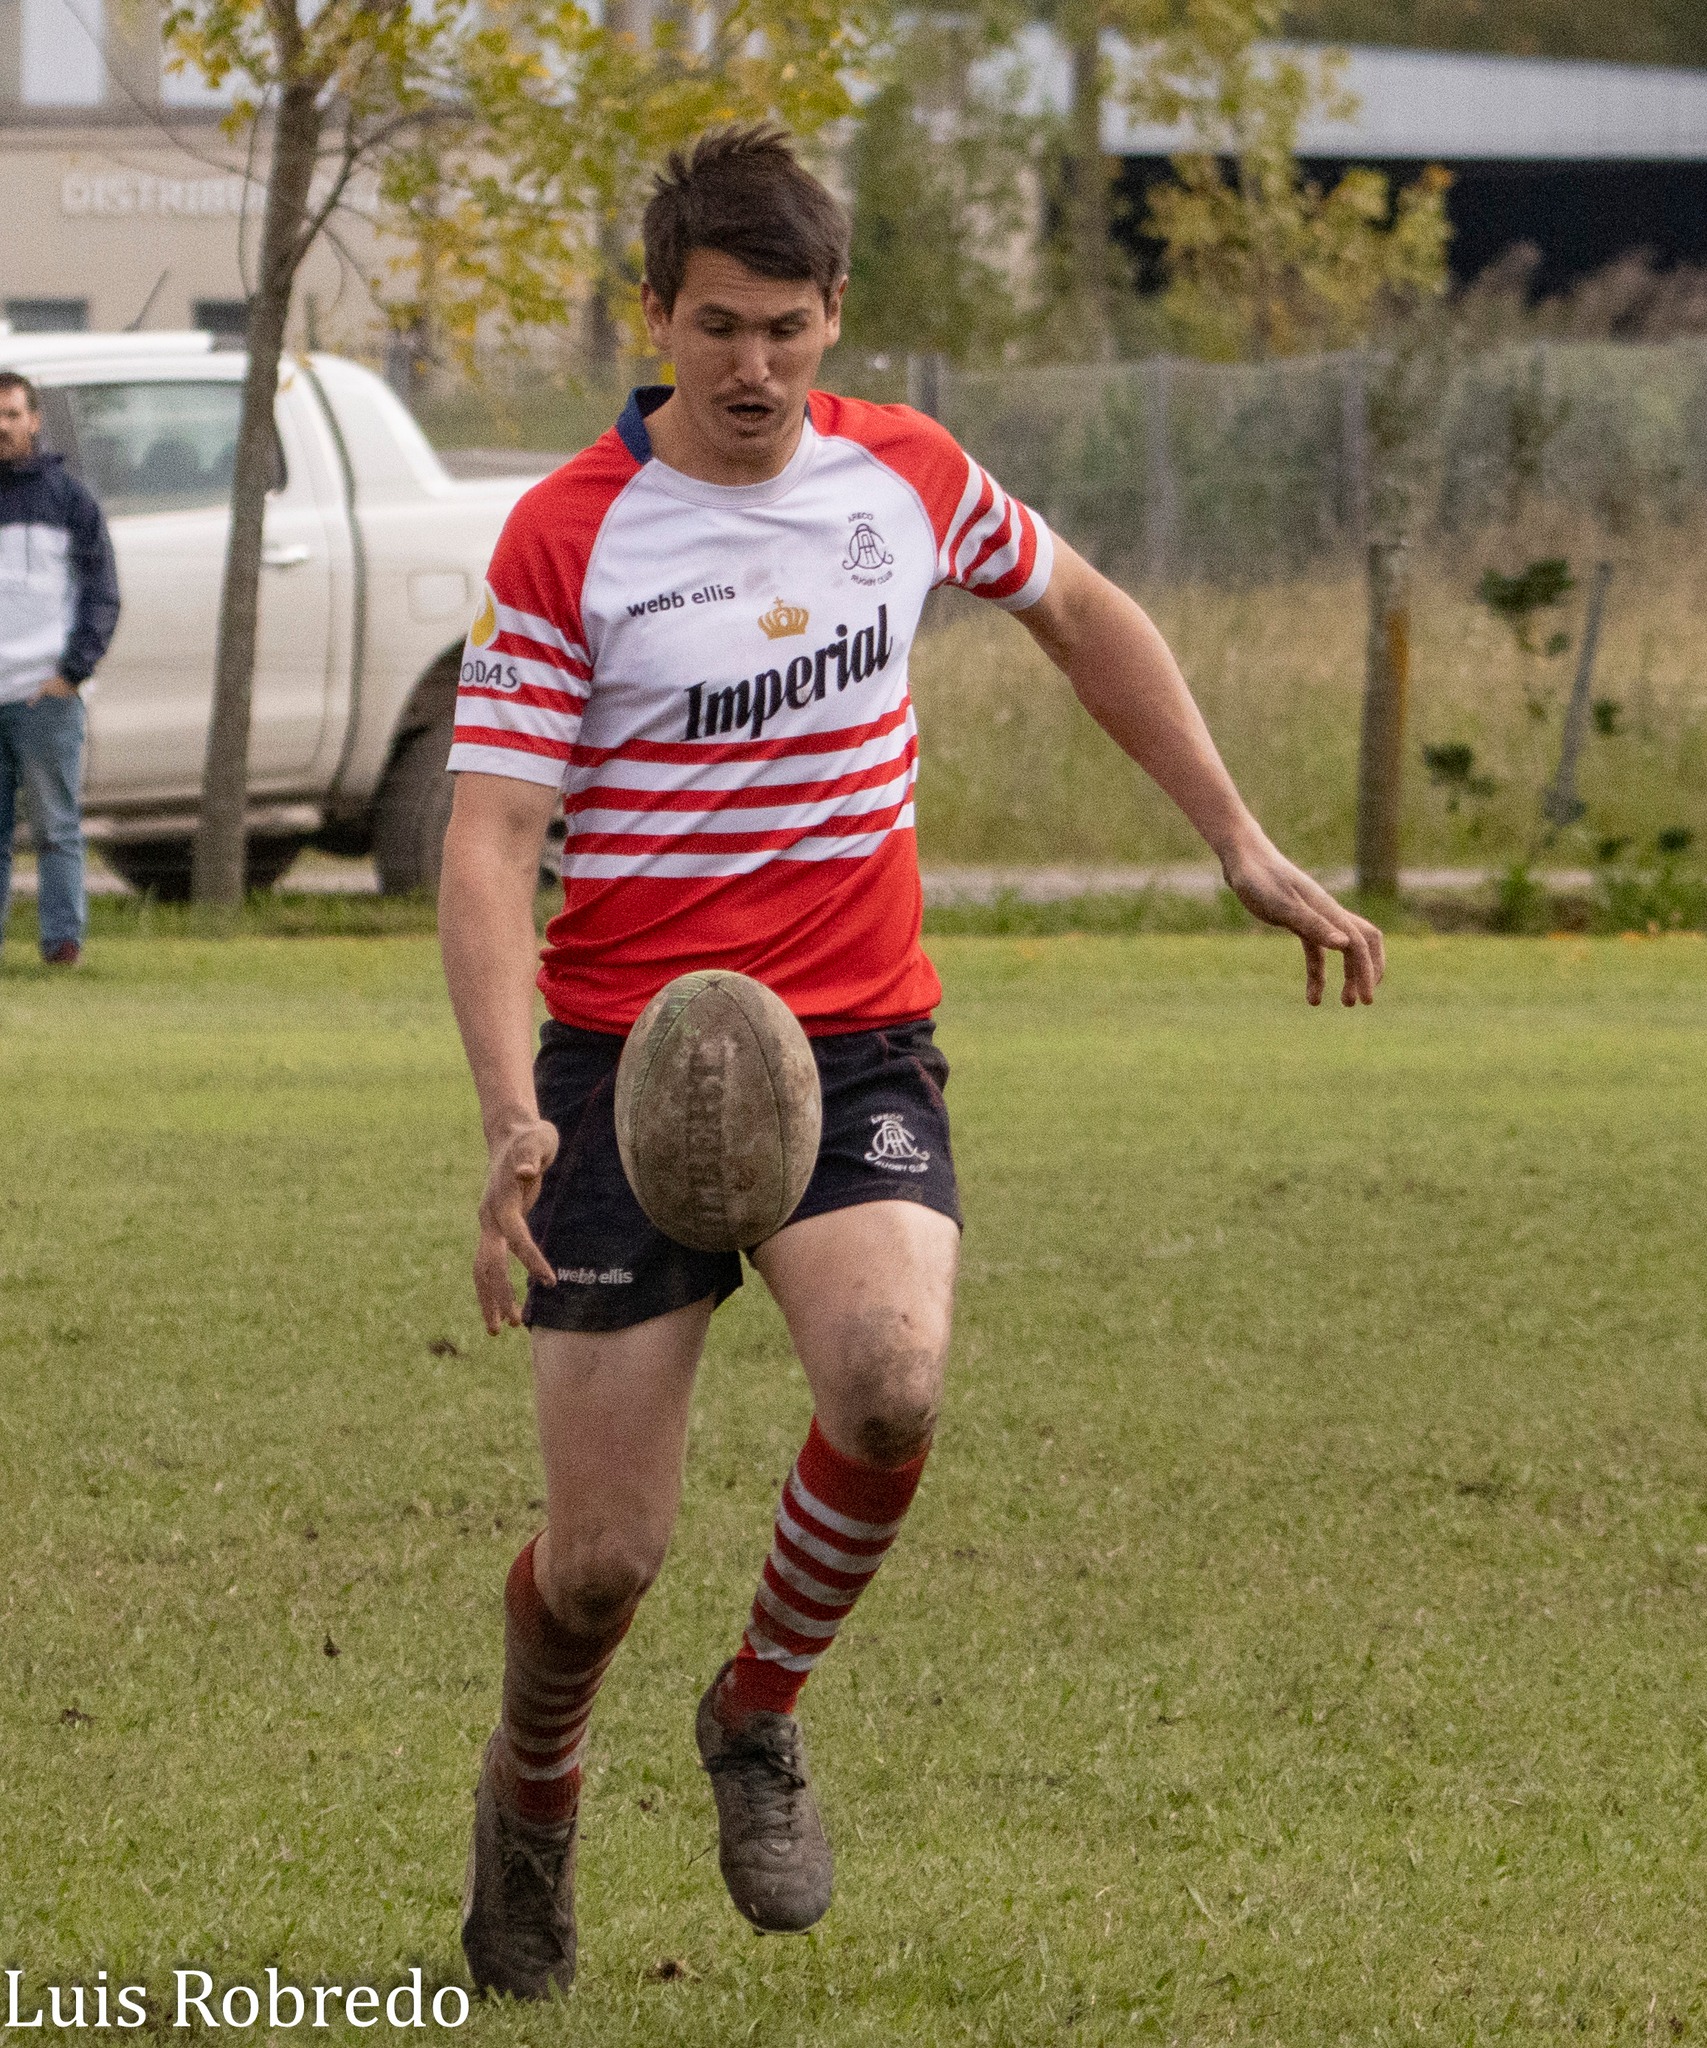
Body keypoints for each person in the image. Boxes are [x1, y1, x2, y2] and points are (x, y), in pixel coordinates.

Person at [437, 125, 1384, 2000]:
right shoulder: (564, 532)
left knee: (888, 1384)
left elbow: (1081, 612)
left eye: (786, 327)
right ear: (654, 315)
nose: (752, 366)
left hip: (855, 1040)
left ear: (834, 315)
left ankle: (756, 1707)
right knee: (602, 1559)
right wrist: (508, 1108)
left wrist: (1237, 837)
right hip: (623, 1065)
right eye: (717, 326)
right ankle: (532, 1788)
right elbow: (487, 840)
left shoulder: (906, 475)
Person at [0, 369, 120, 967]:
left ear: (35, 420)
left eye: (12, 414)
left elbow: (101, 592)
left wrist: (72, 672)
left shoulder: (70, 500)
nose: (3, 427)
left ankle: (62, 947)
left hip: (44, 694)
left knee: (55, 829)